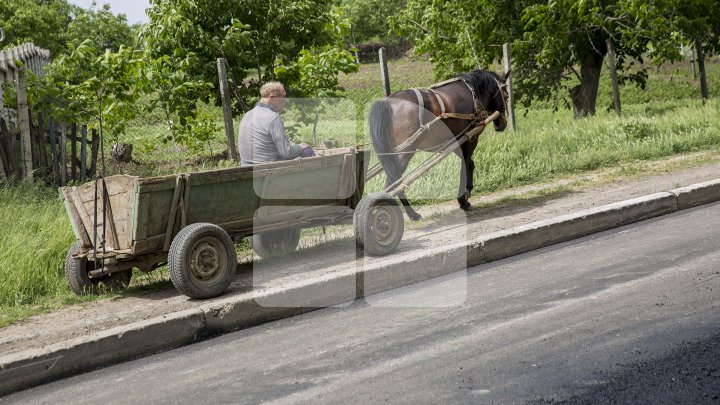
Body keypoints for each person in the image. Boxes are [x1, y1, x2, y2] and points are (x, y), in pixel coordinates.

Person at [238, 81, 315, 165]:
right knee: (307, 151)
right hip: (267, 169)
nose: (286, 100)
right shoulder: (273, 117)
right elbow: (286, 152)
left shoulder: (247, 115)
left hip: (247, 167)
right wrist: (301, 146)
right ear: (272, 98)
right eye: (283, 96)